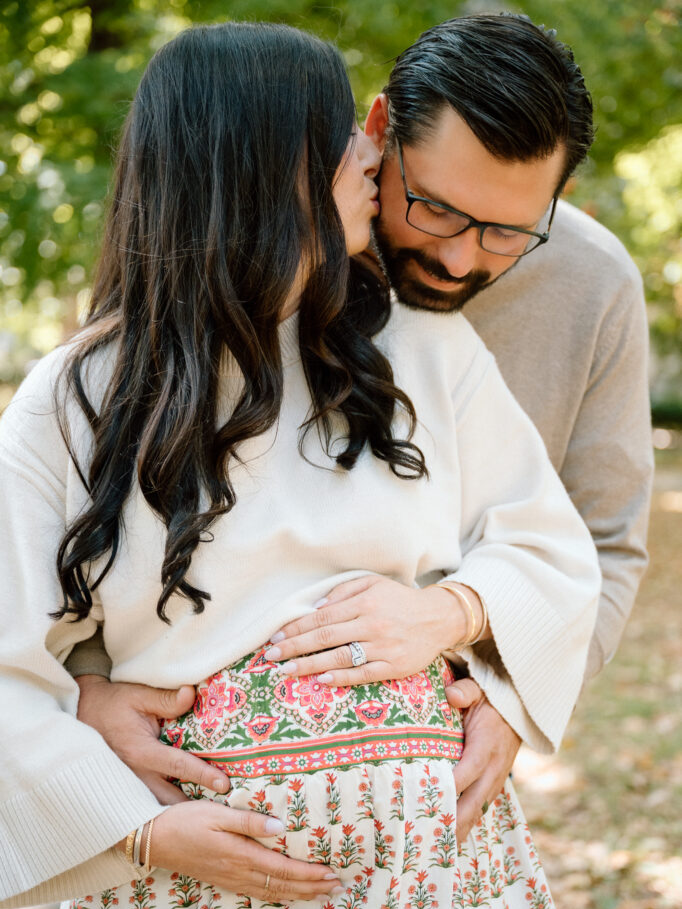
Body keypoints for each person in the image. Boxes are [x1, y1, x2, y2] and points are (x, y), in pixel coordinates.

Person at [0, 18, 600, 909]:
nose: (371, 154)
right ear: (260, 172)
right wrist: (135, 827)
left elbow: (546, 545)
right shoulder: (78, 396)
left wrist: (455, 618)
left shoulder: (418, 349)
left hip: (415, 902)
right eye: (343, 140)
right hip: (194, 903)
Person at [67, 13, 653, 843]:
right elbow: (100, 490)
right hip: (195, 797)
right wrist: (84, 687)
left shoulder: (594, 289)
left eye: (508, 231)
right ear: (378, 136)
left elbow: (601, 538)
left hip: (431, 801)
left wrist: (514, 699)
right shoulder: (268, 239)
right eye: (438, 209)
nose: (459, 260)